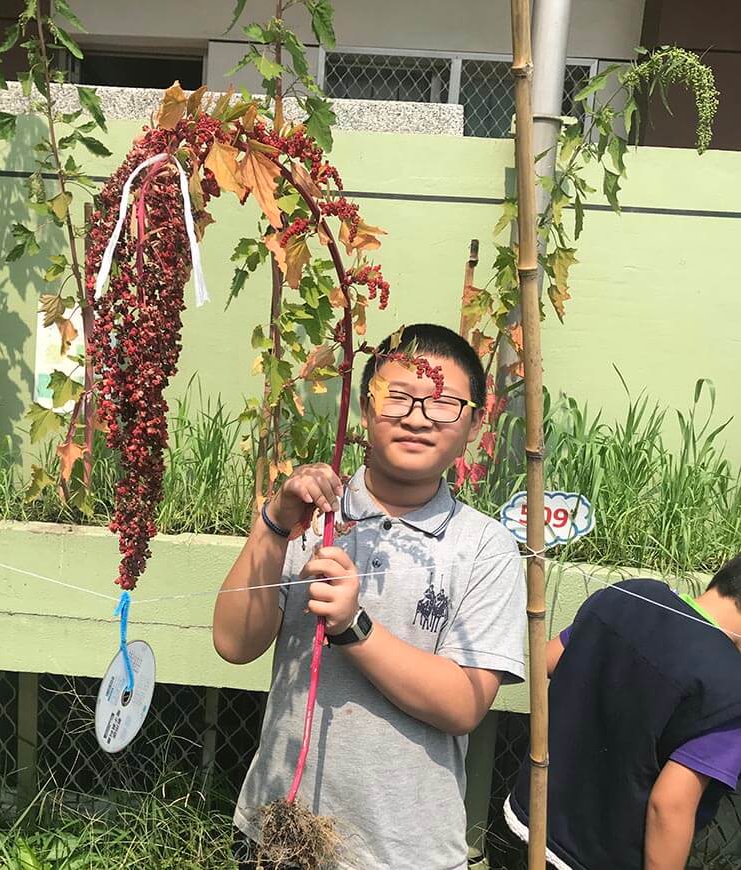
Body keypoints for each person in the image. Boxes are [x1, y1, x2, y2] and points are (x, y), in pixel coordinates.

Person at [212, 323, 527, 870]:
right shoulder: (314, 513)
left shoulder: (484, 547)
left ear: (476, 422)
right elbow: (234, 642)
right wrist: (274, 523)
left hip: (406, 852)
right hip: (276, 834)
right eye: (398, 396)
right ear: (364, 405)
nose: (417, 417)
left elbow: (463, 704)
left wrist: (353, 628)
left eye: (444, 404)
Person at [506, 556, 741, 870]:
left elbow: (548, 660)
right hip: (602, 856)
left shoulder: (633, 593)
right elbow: (670, 805)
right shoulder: (731, 690)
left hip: (529, 818)